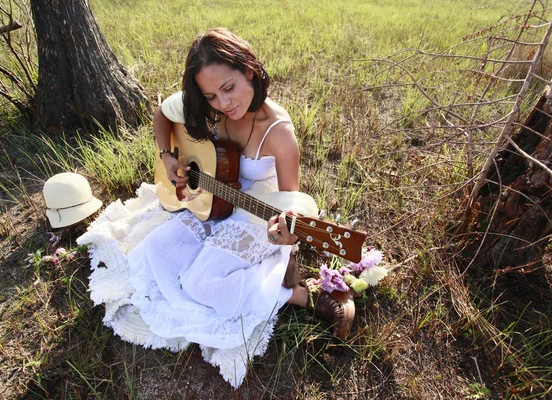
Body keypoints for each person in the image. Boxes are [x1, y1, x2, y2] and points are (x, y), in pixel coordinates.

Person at [78, 27, 354, 388]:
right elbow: (163, 113)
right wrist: (168, 156)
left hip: (257, 209)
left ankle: (303, 296)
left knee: (201, 284)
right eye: (211, 95)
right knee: (154, 253)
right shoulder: (210, 106)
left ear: (250, 71)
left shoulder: (279, 133)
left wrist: (285, 237)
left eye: (229, 88)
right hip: (213, 197)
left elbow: (293, 207)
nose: (224, 104)